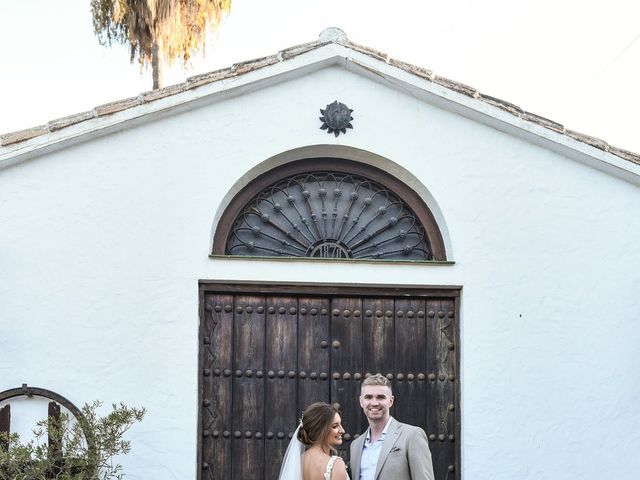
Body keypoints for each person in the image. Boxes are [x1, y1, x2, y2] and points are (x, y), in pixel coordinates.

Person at [349, 374, 434, 480]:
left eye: (380, 397)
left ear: (391, 401)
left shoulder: (412, 436)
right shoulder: (355, 445)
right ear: (361, 401)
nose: (374, 403)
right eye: (368, 397)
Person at [278, 401, 350, 480]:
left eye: (340, 424)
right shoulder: (336, 465)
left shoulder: (297, 462)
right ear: (320, 430)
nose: (342, 430)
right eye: (335, 426)